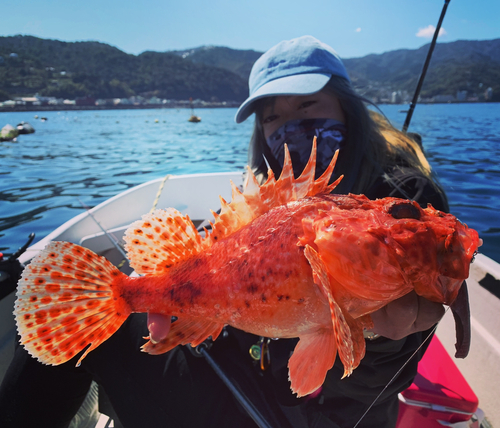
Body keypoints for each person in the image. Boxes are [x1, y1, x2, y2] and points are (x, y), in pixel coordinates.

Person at [0, 36, 448, 428]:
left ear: (346, 106)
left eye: (307, 104)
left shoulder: (404, 204)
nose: (288, 125)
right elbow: (246, 289)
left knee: (109, 335)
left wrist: (382, 338)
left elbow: (361, 390)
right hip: (248, 362)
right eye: (271, 117)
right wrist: (196, 291)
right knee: (105, 312)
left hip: (309, 414)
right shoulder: (274, 199)